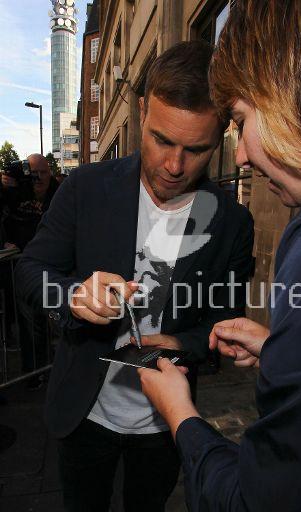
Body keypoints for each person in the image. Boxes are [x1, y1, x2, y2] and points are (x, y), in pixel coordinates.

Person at [15, 41, 254, 512]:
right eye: (163, 139)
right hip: (85, 414)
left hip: (166, 425)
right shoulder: (85, 187)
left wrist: (181, 343)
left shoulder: (232, 222)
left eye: (197, 149)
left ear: (222, 135)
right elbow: (29, 272)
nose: (174, 165)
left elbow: (224, 320)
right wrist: (72, 296)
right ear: (142, 110)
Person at [138, 2, 301, 511]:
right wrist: (286, 354)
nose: (239, 156)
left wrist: (180, 414)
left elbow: (258, 501)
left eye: (240, 120)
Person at [1, 154, 59, 389]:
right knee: (29, 322)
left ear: (50, 172)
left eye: (43, 173)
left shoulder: (58, 192)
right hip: (22, 267)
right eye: (33, 173)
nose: (38, 179)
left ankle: (49, 367)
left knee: (51, 320)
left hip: (53, 266)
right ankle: (32, 372)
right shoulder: (16, 191)